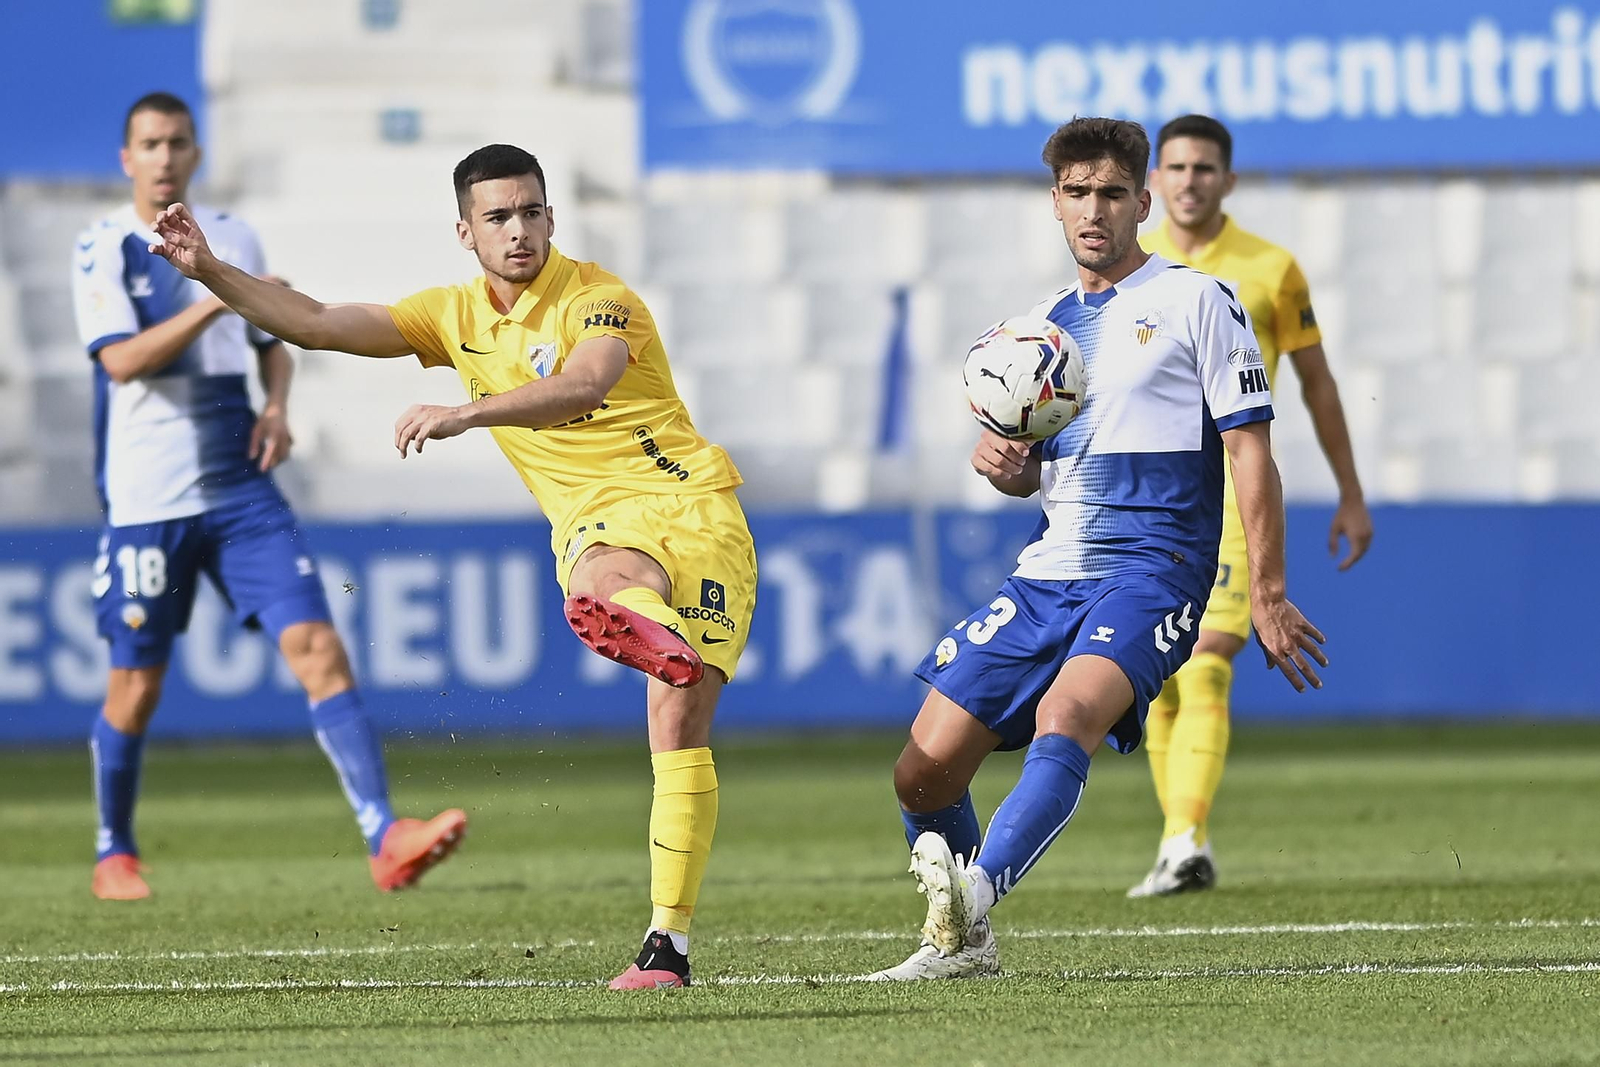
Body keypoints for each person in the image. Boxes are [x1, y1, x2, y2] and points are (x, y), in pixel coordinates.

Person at [144, 143, 757, 991]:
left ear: (552, 218)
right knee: (601, 585)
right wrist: (210, 269)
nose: (520, 230)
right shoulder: (451, 314)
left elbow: (585, 384)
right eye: (499, 216)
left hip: (698, 506)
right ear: (465, 231)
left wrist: (467, 411)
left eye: (533, 211)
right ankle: (668, 943)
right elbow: (319, 322)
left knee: (676, 730)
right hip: (603, 523)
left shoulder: (600, 298)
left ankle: (666, 931)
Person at [868, 117, 1326, 981]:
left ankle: (971, 902)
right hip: (1048, 572)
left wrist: (1266, 589)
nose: (1094, 210)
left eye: (1112, 193)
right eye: (1077, 193)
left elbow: (1251, 449)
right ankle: (972, 947)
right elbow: (1025, 468)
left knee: (1065, 716)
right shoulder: (1036, 329)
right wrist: (1000, 462)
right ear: (1054, 203)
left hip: (1154, 570)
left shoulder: (1200, 300)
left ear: (1142, 202)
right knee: (920, 773)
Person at [72, 92, 464, 902]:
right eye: (149, 143)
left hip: (243, 489)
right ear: (127, 157)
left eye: (178, 141)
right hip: (149, 497)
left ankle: (384, 835)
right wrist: (215, 291)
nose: (165, 155)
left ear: (196, 152)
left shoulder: (233, 234)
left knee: (318, 644)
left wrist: (278, 400)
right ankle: (115, 848)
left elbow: (270, 335)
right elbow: (120, 363)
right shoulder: (102, 245)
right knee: (135, 685)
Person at [1131, 114, 1373, 897]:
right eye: (1177, 167)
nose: (1191, 180)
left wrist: (1350, 490)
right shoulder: (1130, 271)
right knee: (1158, 680)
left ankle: (1185, 839)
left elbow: (1318, 383)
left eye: (1205, 168)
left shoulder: (1270, 268)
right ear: (1154, 182)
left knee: (1204, 664)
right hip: (1148, 501)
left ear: (1228, 180)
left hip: (1235, 491)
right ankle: (1179, 841)